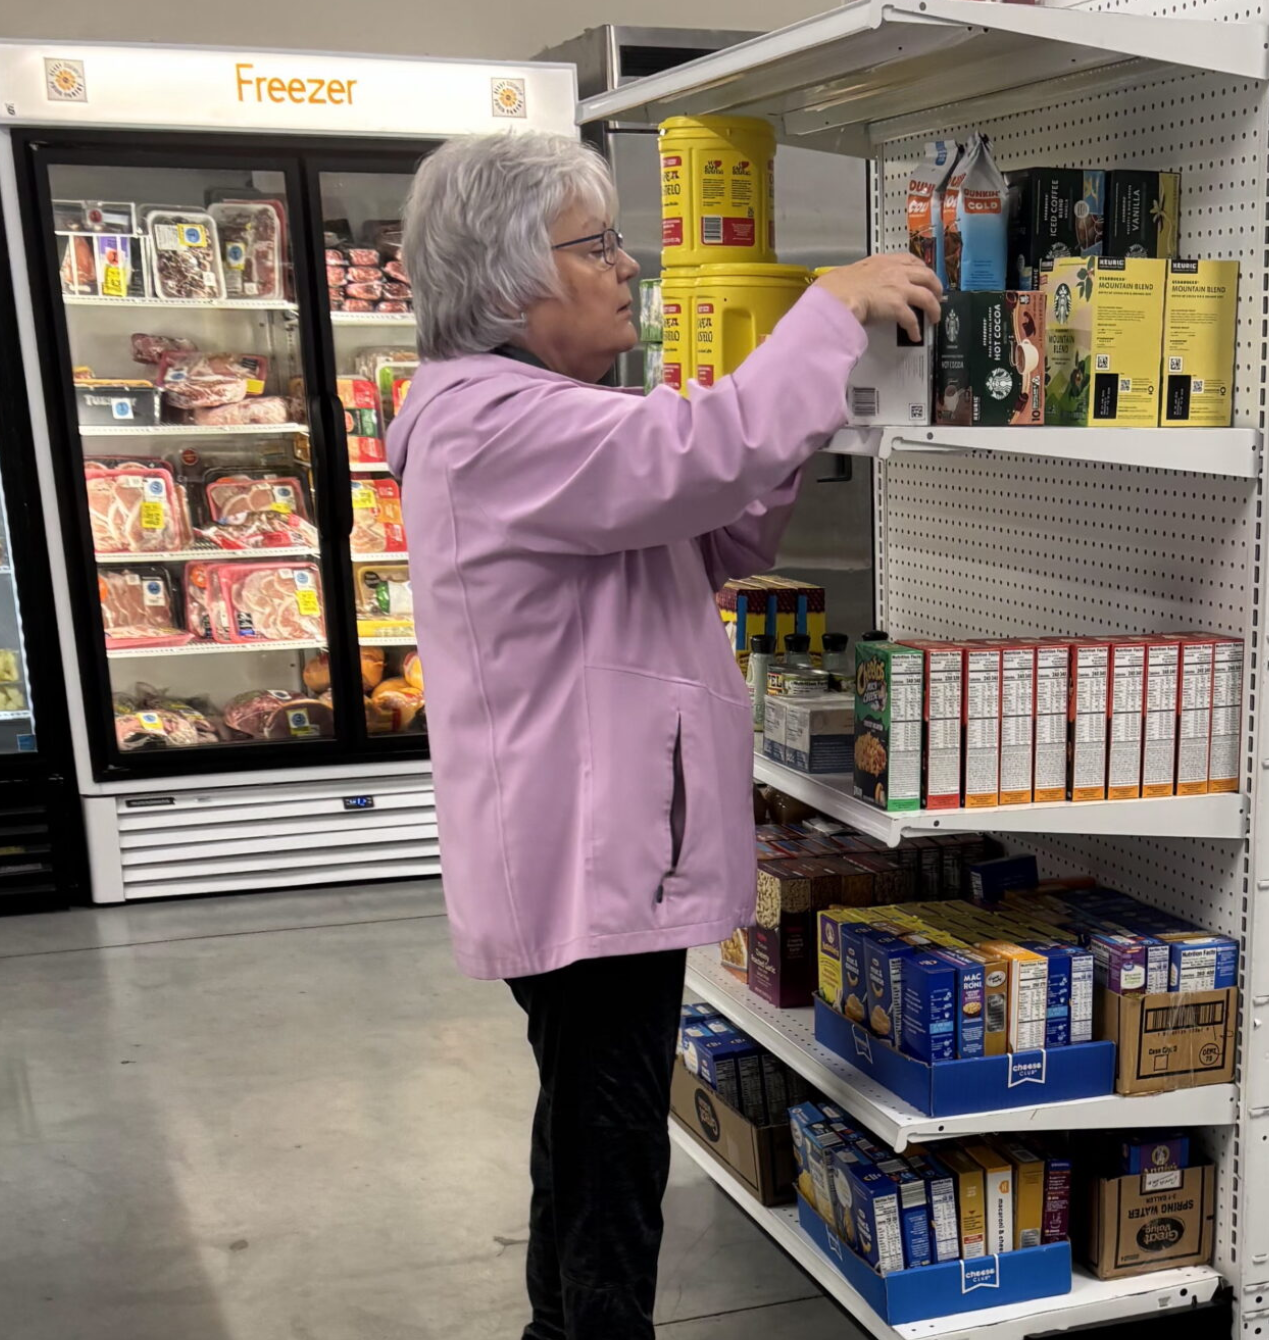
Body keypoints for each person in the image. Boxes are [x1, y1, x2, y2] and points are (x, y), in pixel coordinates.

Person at [385, 131, 941, 1340]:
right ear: (512, 275)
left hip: (599, 843)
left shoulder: (546, 416)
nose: (628, 265)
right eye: (598, 245)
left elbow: (714, 528)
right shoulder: (493, 421)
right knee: (612, 1139)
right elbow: (696, 459)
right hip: (582, 852)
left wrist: (792, 418)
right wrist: (822, 308)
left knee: (588, 1122)